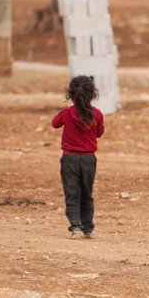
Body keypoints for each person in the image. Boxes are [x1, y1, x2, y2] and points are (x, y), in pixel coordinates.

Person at [52, 76, 105, 240]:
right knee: (86, 193)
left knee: (72, 193)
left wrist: (63, 110)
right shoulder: (97, 114)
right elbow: (99, 134)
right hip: (89, 160)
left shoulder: (67, 113)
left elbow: (54, 123)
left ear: (71, 94)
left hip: (69, 159)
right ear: (92, 94)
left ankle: (76, 227)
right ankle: (88, 227)